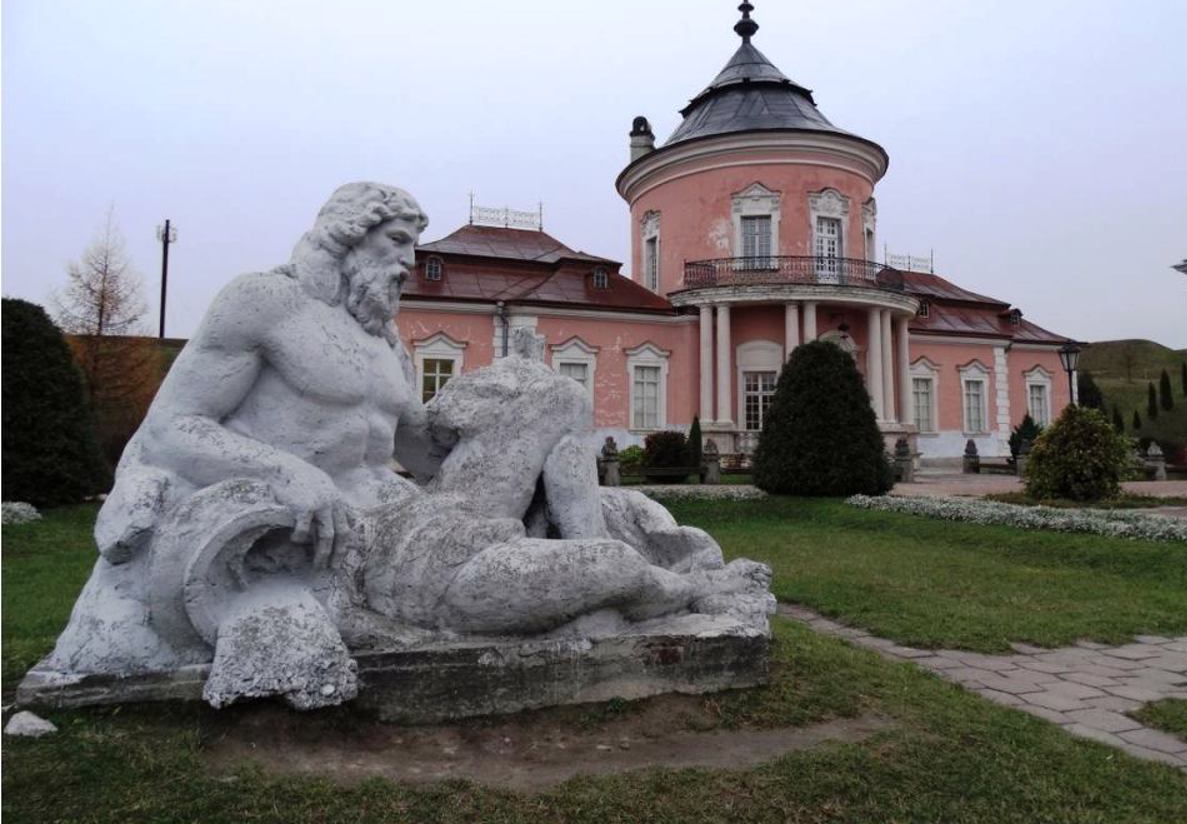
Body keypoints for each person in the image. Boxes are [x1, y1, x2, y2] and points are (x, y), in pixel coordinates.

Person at [46, 182, 769, 707]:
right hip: (354, 545)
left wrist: (493, 408)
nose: (404, 265)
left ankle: (606, 565)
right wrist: (287, 473)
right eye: (396, 246)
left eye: (412, 250)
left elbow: (415, 451)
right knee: (603, 564)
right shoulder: (264, 303)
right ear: (346, 237)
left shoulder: (384, 337)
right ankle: (679, 588)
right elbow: (174, 426)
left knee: (559, 395)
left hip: (418, 513)